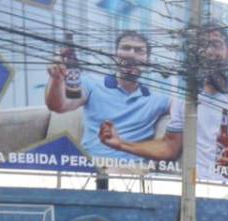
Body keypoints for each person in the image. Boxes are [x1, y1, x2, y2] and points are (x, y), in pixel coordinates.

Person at [100, 22, 228, 184]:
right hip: (196, 192)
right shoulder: (186, 97)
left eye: (215, 44)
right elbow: (170, 146)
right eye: (202, 47)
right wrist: (121, 144)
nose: (208, 52)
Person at [46, 31, 171, 165]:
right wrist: (56, 79)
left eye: (139, 50)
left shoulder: (158, 99)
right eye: (126, 48)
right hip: (92, 168)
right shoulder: (92, 84)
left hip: (131, 173)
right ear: (115, 55)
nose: (131, 54)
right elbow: (59, 106)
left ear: (147, 60)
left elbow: (187, 109)